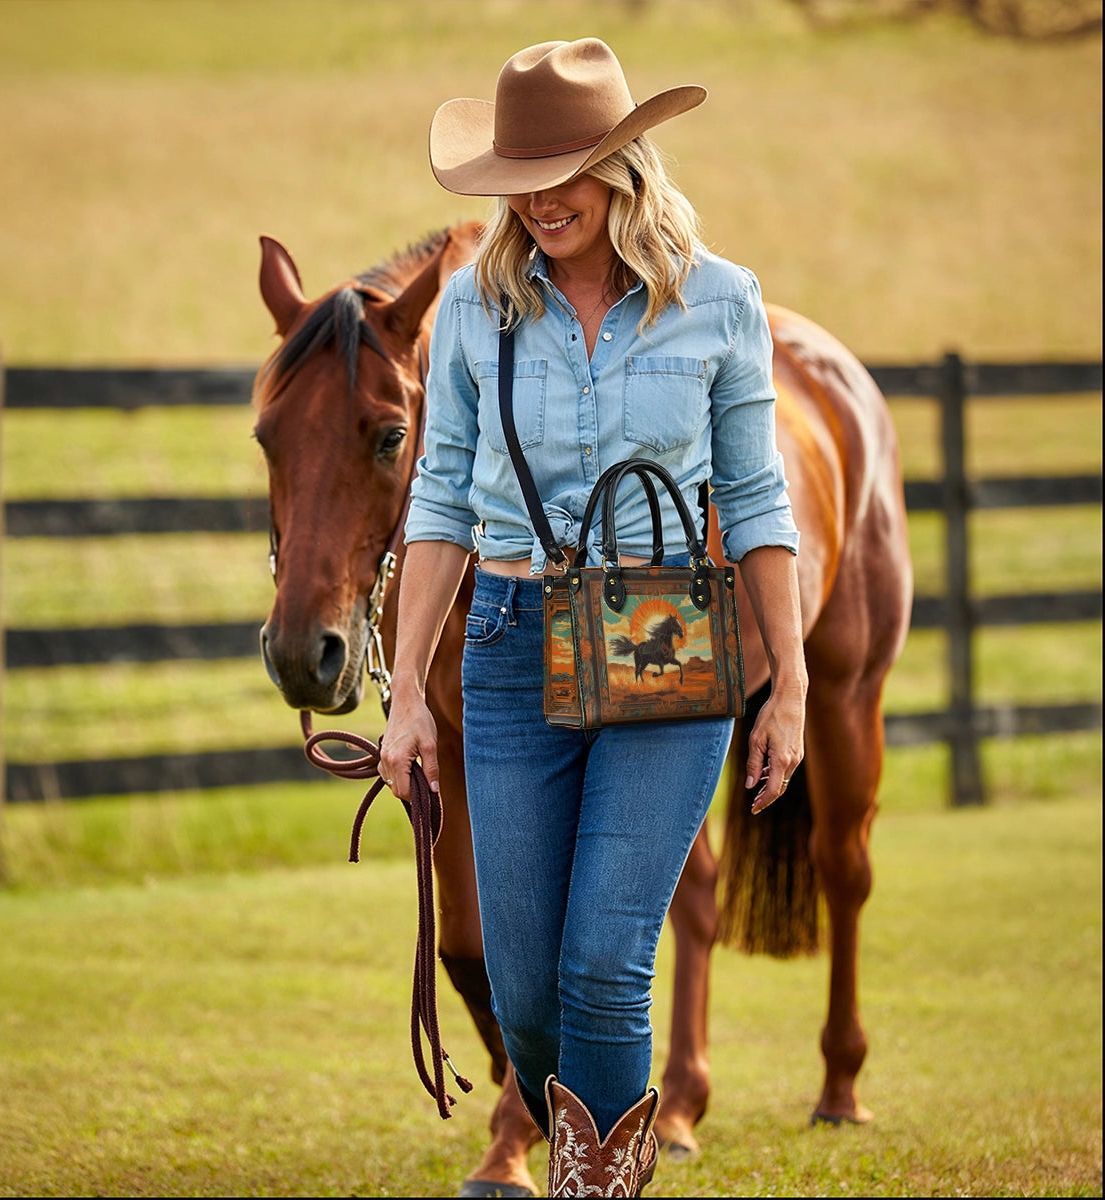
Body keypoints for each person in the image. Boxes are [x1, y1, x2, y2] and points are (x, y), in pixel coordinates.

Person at [378, 37, 807, 1198]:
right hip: (511, 646)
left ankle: (592, 1186)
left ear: (627, 162)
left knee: (606, 963)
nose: (544, 196)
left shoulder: (721, 301)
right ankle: (590, 1142)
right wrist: (408, 690)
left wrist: (793, 688)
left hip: (662, 643)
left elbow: (758, 498)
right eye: (523, 174)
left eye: (569, 166)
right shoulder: (474, 311)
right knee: (523, 987)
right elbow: (440, 499)